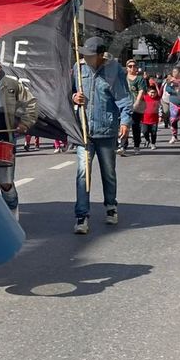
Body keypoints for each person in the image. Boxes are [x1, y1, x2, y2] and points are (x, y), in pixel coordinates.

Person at [71, 37, 132, 234]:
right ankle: (82, 216)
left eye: (90, 55)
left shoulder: (115, 70)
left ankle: (111, 206)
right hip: (84, 132)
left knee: (108, 172)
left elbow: (124, 99)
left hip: (107, 131)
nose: (86, 58)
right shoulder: (78, 70)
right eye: (84, 55)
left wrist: (125, 121)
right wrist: (74, 98)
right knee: (83, 174)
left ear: (100, 55)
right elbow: (68, 93)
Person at [0, 49, 39, 221]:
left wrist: (25, 123)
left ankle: (12, 212)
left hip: (6, 142)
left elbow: (31, 103)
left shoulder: (12, 85)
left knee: (6, 184)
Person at [119, 59, 148, 156]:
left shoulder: (139, 79)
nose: (132, 68)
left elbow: (141, 91)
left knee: (135, 126)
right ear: (126, 68)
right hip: (125, 104)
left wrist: (136, 103)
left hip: (137, 105)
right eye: (130, 66)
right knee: (124, 124)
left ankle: (136, 145)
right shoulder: (123, 78)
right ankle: (123, 146)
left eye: (134, 66)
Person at [141, 81, 162, 150]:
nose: (153, 94)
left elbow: (160, 108)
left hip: (154, 120)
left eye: (154, 93)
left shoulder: (157, 99)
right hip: (144, 120)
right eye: (151, 92)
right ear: (148, 92)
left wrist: (160, 116)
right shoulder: (144, 98)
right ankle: (147, 140)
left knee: (153, 132)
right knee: (145, 131)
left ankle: (153, 143)